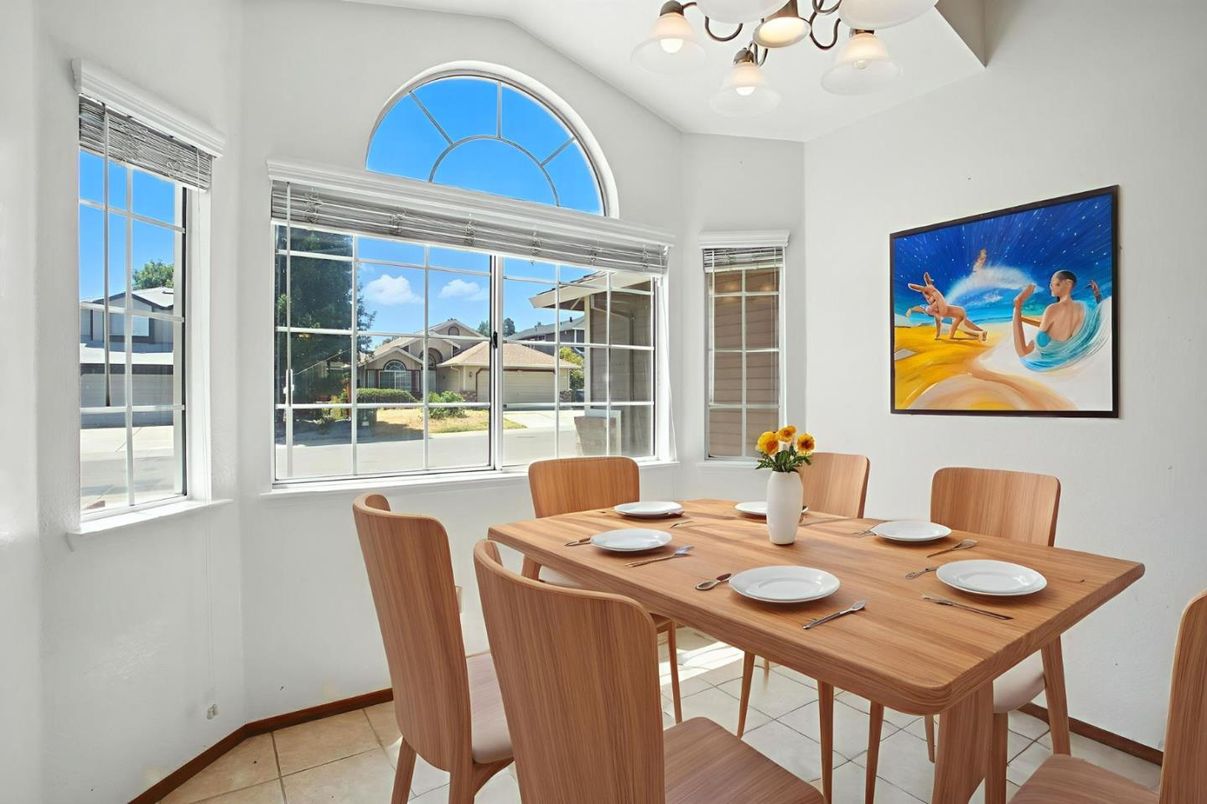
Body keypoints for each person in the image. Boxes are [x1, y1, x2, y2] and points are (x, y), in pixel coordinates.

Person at [1012, 271, 1103, 365]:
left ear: (1068, 283)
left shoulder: (1052, 309)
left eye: (1053, 283)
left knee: (1024, 354)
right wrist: (1098, 295)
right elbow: (1098, 318)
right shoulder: (1084, 307)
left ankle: (1017, 305)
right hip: (1071, 361)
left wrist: (1018, 305)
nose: (1050, 286)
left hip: (1046, 365)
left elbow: (1023, 352)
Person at [907, 272, 988, 341]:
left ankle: (979, 335)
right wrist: (937, 335)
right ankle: (982, 332)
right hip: (959, 313)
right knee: (961, 328)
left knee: (960, 329)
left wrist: (918, 287)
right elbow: (938, 324)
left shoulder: (937, 304)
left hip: (958, 312)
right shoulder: (937, 312)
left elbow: (932, 294)